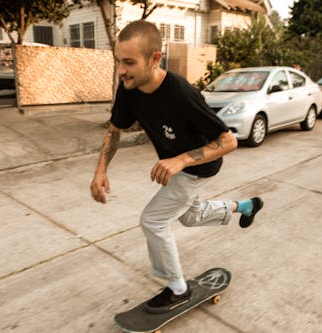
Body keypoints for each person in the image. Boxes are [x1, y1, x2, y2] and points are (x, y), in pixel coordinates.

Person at [90, 20, 263, 313]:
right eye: (119, 61)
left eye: (129, 62)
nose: (121, 70)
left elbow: (228, 141)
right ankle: (245, 206)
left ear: (155, 58)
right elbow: (115, 130)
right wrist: (100, 171)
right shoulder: (128, 88)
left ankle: (177, 288)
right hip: (178, 167)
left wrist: (180, 160)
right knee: (189, 217)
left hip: (198, 167)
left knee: (153, 220)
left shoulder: (181, 93)